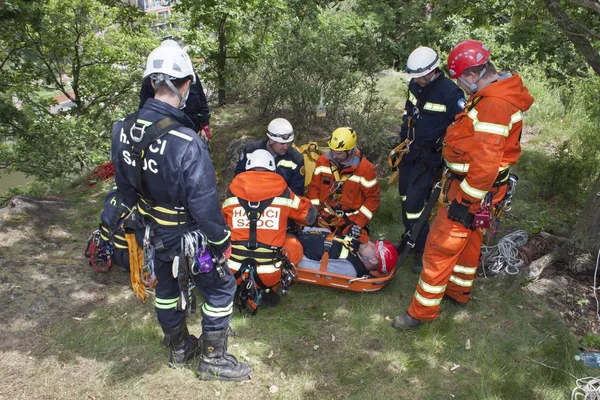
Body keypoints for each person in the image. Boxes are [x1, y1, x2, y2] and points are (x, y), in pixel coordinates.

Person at [111, 41, 251, 381]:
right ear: (185, 85)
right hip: (187, 237)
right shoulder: (188, 142)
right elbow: (204, 204)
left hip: (151, 231)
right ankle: (213, 359)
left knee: (166, 288)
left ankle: (178, 347)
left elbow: (124, 186)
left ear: (151, 83)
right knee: (220, 289)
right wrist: (222, 242)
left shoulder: (123, 129)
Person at [392, 40, 534, 330]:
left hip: (473, 191)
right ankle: (458, 292)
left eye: (460, 79)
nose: (460, 85)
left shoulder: (494, 104)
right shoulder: (492, 96)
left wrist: (464, 201)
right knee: (470, 242)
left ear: (471, 75)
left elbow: (485, 164)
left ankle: (419, 313)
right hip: (483, 191)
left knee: (440, 247)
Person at [397, 46, 466, 273]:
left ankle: (421, 248)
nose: (416, 81)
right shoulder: (414, 86)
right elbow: (409, 112)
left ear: (432, 72)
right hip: (410, 153)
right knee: (406, 198)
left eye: (419, 77)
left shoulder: (451, 94)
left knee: (416, 205)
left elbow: (461, 132)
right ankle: (411, 234)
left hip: (431, 159)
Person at [222, 149, 316, 309]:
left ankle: (240, 286)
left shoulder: (231, 192)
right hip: (269, 276)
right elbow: (309, 216)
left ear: (248, 168)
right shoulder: (284, 192)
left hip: (233, 271)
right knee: (293, 244)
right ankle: (268, 288)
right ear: (272, 169)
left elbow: (221, 223)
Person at [307, 127, 380, 244]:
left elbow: (372, 200)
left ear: (349, 151)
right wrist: (314, 211)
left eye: (339, 153)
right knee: (315, 242)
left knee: (358, 247)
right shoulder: (322, 161)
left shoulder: (366, 169)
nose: (334, 156)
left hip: (352, 218)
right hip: (325, 214)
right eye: (332, 151)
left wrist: (359, 223)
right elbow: (314, 188)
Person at [139, 40, 212, 143]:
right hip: (164, 134)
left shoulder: (189, 77)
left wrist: (205, 125)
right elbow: (144, 108)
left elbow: (202, 102)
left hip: (192, 130)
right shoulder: (151, 80)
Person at [234, 118, 305, 197]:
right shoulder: (250, 151)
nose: (286, 147)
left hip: (280, 203)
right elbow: (239, 178)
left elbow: (296, 191)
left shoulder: (296, 160)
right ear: (271, 140)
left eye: (288, 143)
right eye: (282, 143)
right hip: (250, 198)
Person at [297, 231, 397, 278]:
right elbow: (330, 234)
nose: (369, 243)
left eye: (372, 247)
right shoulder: (357, 246)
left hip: (296, 249)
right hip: (303, 234)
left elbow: (314, 269)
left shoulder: (349, 269)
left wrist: (290, 259)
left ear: (373, 260)